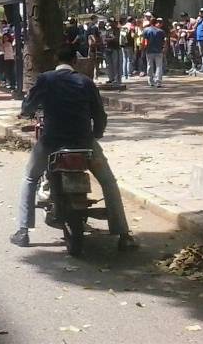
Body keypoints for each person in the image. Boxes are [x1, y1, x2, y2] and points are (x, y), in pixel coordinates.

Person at [10, 44, 137, 250]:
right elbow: (99, 115)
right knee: (108, 182)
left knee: (30, 178)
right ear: (75, 62)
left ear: (56, 61)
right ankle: (123, 234)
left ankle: (23, 231)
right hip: (83, 142)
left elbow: (28, 106)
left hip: (52, 142)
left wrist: (25, 111)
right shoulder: (86, 82)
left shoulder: (46, 79)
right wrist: (95, 135)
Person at [142, 18, 166, 88]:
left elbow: (144, 41)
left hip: (149, 50)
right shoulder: (161, 31)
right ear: (156, 23)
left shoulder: (146, 30)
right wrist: (164, 48)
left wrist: (143, 49)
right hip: (159, 51)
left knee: (149, 66)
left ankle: (150, 81)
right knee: (159, 66)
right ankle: (158, 82)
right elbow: (165, 40)